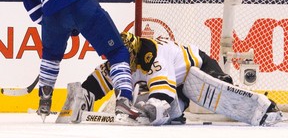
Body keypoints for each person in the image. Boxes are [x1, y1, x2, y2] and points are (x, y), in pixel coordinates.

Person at [22, 0, 143, 122]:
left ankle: (44, 100)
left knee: (51, 57)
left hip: (52, 14)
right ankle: (124, 100)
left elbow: (35, 13)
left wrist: (58, 26)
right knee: (117, 51)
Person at [57, 32, 283, 126]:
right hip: (177, 85)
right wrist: (81, 98)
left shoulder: (152, 55)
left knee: (221, 86)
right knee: (171, 111)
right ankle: (179, 109)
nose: (120, 61)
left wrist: (153, 107)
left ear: (134, 51)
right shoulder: (119, 58)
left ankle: (266, 107)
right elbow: (98, 81)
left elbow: (162, 91)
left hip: (198, 66)